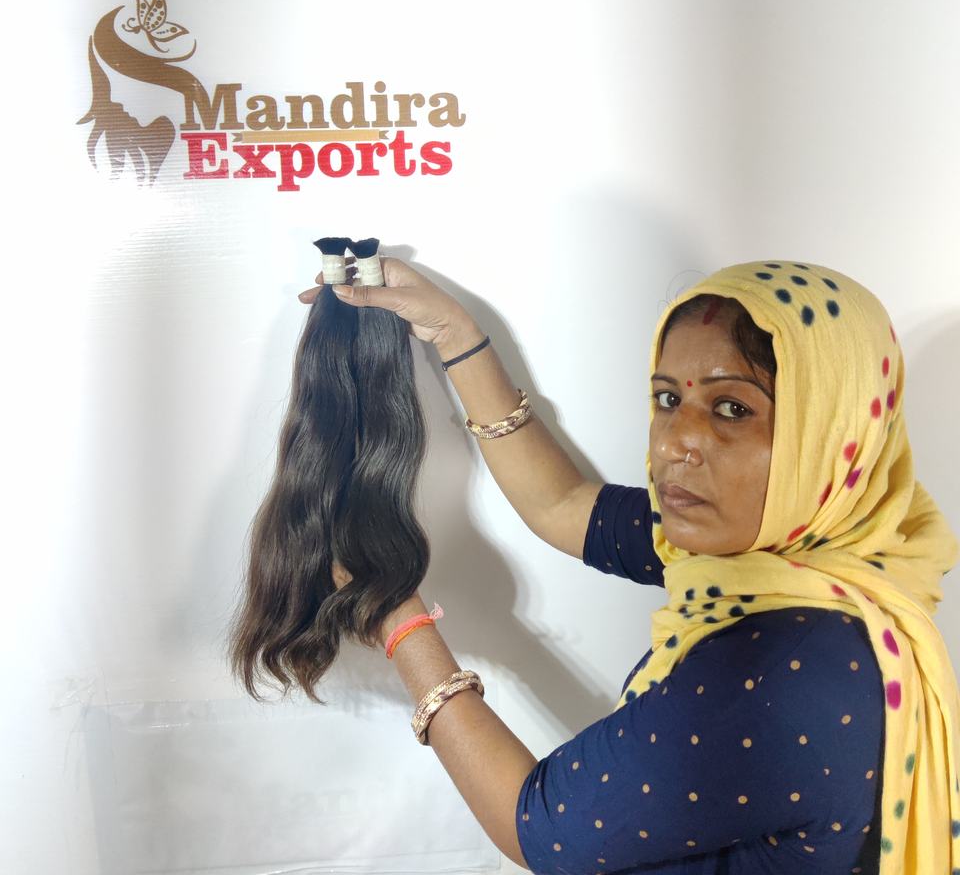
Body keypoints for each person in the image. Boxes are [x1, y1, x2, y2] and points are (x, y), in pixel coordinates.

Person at [297, 256, 960, 874]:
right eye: (669, 399)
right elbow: (561, 503)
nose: (676, 443)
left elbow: (540, 830)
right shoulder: (818, 551)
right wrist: (455, 335)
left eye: (733, 409)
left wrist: (398, 619)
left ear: (833, 432)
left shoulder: (783, 670)